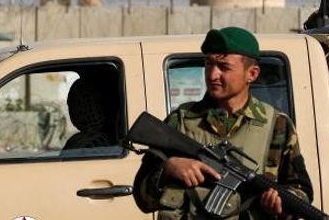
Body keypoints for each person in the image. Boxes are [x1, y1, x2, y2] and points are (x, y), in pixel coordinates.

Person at [133, 27, 313, 219]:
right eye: (208, 64)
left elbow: (302, 192)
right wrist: (168, 169)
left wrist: (280, 204)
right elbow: (142, 199)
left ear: (252, 74)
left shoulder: (277, 125)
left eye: (224, 67)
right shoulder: (181, 121)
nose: (212, 75)